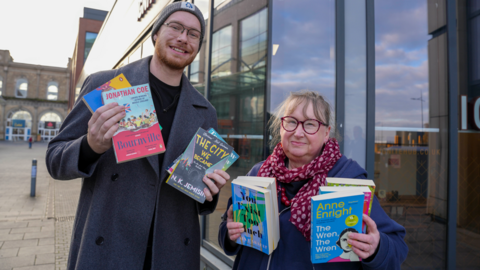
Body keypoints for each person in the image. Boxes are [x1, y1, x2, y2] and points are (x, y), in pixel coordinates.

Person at [46, 2, 229, 269]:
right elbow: (54, 158)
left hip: (172, 254)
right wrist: (90, 146)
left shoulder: (205, 111)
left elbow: (198, 195)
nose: (182, 38)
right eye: (175, 27)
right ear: (156, 33)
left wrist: (210, 191)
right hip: (108, 247)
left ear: (198, 45)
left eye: (193, 34)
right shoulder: (104, 85)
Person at [218, 91, 408, 269]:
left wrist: (376, 248)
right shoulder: (258, 174)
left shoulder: (347, 180)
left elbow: (397, 248)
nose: (298, 133)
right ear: (281, 128)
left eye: (310, 124)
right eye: (291, 122)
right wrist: (231, 235)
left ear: (326, 133)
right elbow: (226, 232)